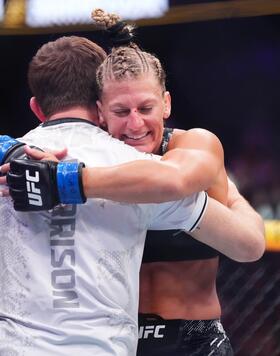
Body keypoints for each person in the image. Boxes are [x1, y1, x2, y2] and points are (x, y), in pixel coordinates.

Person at [2, 9, 265, 356]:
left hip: (190, 338)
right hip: (118, 338)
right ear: (100, 113)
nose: (135, 124)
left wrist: (67, 179)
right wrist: (11, 149)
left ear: (166, 104)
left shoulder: (191, 146)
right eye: (121, 112)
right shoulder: (88, 157)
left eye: (145, 108)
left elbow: (176, 181)